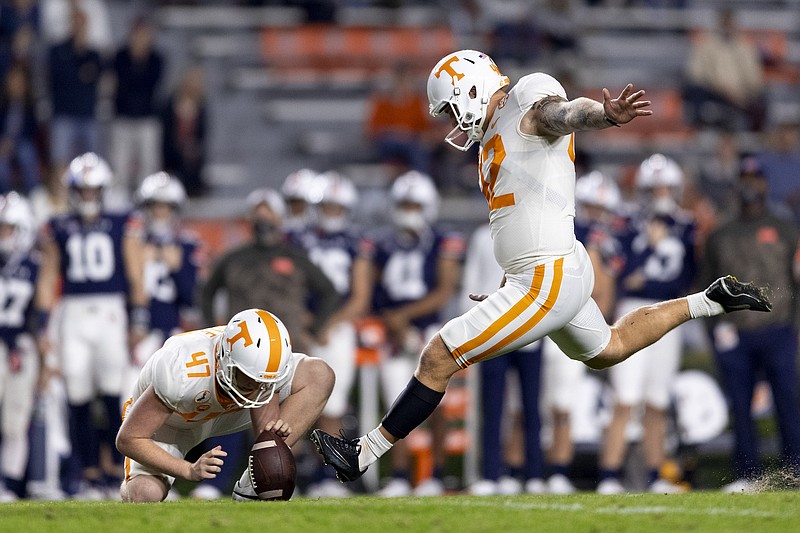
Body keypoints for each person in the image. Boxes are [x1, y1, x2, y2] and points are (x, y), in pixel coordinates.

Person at [309, 49, 772, 485]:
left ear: (471, 89)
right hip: (549, 271)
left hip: (546, 276)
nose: (450, 122)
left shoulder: (526, 99)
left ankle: (362, 455)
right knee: (609, 346)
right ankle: (708, 300)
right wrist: (509, 284)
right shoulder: (492, 135)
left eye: (450, 109)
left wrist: (604, 116)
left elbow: (563, 114)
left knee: (438, 356)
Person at [116, 308, 335, 503]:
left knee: (319, 374)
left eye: (264, 382)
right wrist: (187, 469)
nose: (256, 388)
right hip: (172, 423)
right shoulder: (180, 370)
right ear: (224, 359)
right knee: (145, 494)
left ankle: (250, 486)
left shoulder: (265, 365)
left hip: (227, 409)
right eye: (248, 378)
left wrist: (272, 441)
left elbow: (262, 390)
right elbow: (129, 438)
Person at [36, 152, 149, 499]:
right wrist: (43, 326)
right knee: (77, 395)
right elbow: (49, 275)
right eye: (82, 191)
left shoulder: (122, 221)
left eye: (92, 190)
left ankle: (116, 469)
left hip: (111, 311)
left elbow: (135, 271)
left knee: (115, 393)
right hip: (73, 312)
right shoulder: (58, 225)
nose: (87, 196)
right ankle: (87, 473)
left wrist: (138, 316)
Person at [357, 171, 464, 497]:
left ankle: (437, 474)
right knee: (394, 405)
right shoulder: (380, 244)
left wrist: (402, 316)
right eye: (404, 203)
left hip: (428, 329)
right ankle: (400, 476)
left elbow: (444, 290)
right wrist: (391, 320)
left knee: (437, 406)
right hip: (392, 332)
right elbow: (369, 287)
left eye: (415, 204)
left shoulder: (441, 241)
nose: (408, 209)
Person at [597, 155, 696, 495]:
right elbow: (622, 272)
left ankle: (655, 477)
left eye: (666, 186)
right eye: (654, 188)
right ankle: (609, 476)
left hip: (668, 313)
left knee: (657, 401)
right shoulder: (627, 222)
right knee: (625, 398)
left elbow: (686, 276)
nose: (661, 193)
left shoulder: (686, 224)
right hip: (633, 310)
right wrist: (648, 248)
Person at [702, 157, 800, 493]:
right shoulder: (720, 233)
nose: (750, 184)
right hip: (736, 332)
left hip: (779, 328)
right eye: (744, 177)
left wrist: (795, 330)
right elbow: (707, 288)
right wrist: (715, 333)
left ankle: (795, 472)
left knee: (788, 403)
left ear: (765, 183)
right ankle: (747, 475)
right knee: (740, 407)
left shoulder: (786, 229)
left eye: (755, 177)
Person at [541, 170, 625, 494]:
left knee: (574, 405)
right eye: (590, 207)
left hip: (584, 326)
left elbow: (606, 295)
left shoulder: (607, 245)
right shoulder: (565, 237)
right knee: (551, 405)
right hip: (555, 324)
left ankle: (560, 470)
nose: (595, 216)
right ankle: (547, 471)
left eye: (601, 209)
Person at [289, 171, 365, 498]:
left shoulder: (356, 243)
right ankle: (283, 476)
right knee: (291, 406)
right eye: (327, 207)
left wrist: (326, 324)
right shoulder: (298, 240)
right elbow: (288, 288)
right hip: (302, 328)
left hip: (336, 329)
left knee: (333, 408)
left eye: (337, 208)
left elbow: (360, 296)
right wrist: (306, 324)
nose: (331, 213)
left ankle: (329, 478)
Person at [463, 224, 545, 496]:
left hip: (529, 326)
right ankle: (491, 473)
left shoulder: (538, 231)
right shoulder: (481, 235)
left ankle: (533, 473)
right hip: (493, 328)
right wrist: (473, 326)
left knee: (531, 406)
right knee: (493, 405)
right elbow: (471, 282)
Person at [126, 172, 199, 401]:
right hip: (136, 332)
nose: (159, 213)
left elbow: (191, 297)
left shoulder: (187, 245)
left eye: (165, 207)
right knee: (127, 401)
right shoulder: (133, 242)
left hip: (171, 333)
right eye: (155, 206)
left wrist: (177, 268)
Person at [0, 193, 40, 501]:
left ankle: (10, 486)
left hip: (23, 345)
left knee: (16, 421)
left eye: (7, 228)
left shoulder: (35, 264)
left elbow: (42, 312)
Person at [109, 17, 164, 204]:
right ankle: (119, 204)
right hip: (123, 118)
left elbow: (148, 86)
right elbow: (122, 85)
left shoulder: (156, 59)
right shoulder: (121, 57)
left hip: (146, 118)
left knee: (148, 165)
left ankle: (146, 202)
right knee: (120, 166)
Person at [683, 8, 765, 131]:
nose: (727, 26)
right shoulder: (705, 44)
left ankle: (756, 139)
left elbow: (754, 78)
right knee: (695, 92)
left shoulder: (745, 47)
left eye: (730, 22)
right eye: (724, 22)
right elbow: (695, 73)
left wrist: (741, 93)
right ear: (719, 23)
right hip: (713, 92)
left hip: (741, 94)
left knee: (762, 102)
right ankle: (697, 131)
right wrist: (720, 88)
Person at [47, 8, 103, 168]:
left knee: (92, 163)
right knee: (60, 162)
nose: (79, 28)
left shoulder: (93, 54)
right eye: (76, 23)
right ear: (70, 25)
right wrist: (79, 72)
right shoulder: (58, 50)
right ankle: (60, 193)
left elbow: (98, 76)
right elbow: (60, 76)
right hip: (63, 114)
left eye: (83, 24)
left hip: (87, 114)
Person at [161, 66, 206, 197]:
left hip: (192, 152)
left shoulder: (201, 107)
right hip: (172, 150)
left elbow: (202, 134)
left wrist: (192, 146)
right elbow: (167, 132)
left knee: (193, 158)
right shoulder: (171, 103)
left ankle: (193, 193)